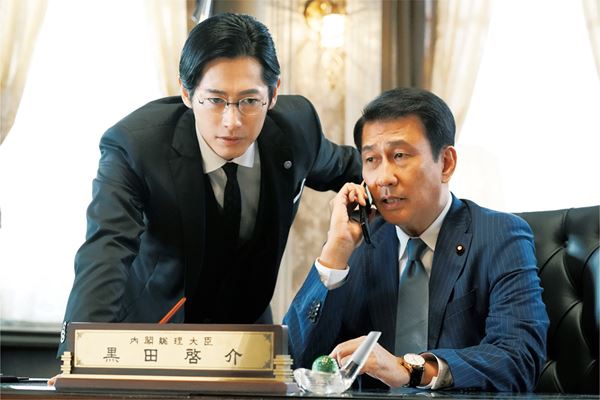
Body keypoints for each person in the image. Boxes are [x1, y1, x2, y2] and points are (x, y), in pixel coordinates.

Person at [57, 13, 361, 356]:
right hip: (157, 334)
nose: (232, 122)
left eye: (249, 101)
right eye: (215, 100)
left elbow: (353, 169)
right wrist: (78, 358)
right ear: (187, 93)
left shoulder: (296, 130)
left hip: (248, 337)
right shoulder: (136, 146)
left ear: (274, 92)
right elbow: (106, 250)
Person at [284, 88, 549, 392]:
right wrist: (335, 252)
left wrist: (410, 369)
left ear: (446, 163)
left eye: (399, 156)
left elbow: (519, 358)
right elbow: (292, 363)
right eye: (371, 159)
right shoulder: (360, 244)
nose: (384, 177)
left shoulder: (500, 236)